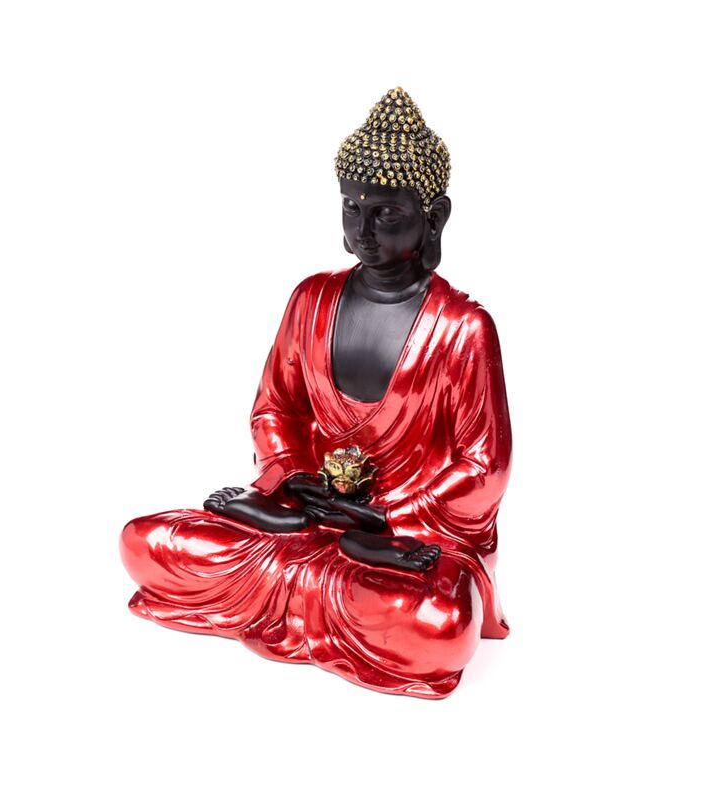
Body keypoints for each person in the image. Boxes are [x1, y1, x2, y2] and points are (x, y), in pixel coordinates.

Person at [120, 87, 512, 698]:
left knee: (439, 624)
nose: (364, 229)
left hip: (402, 536)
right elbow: (274, 408)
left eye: (386, 213)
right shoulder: (311, 298)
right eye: (352, 207)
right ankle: (312, 593)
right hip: (303, 517)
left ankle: (303, 593)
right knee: (144, 540)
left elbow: (484, 466)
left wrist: (385, 514)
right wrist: (292, 477)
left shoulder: (463, 328)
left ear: (434, 218)